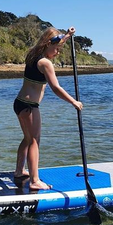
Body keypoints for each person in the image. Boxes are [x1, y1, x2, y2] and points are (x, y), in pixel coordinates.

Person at [13, 26, 83, 190]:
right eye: (57, 49)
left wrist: (67, 35)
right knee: (34, 141)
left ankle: (18, 171)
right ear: (47, 44)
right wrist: (74, 102)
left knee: (27, 139)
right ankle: (34, 180)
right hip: (29, 106)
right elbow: (56, 88)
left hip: (20, 103)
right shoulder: (45, 63)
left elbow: (54, 41)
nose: (58, 53)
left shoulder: (33, 55)